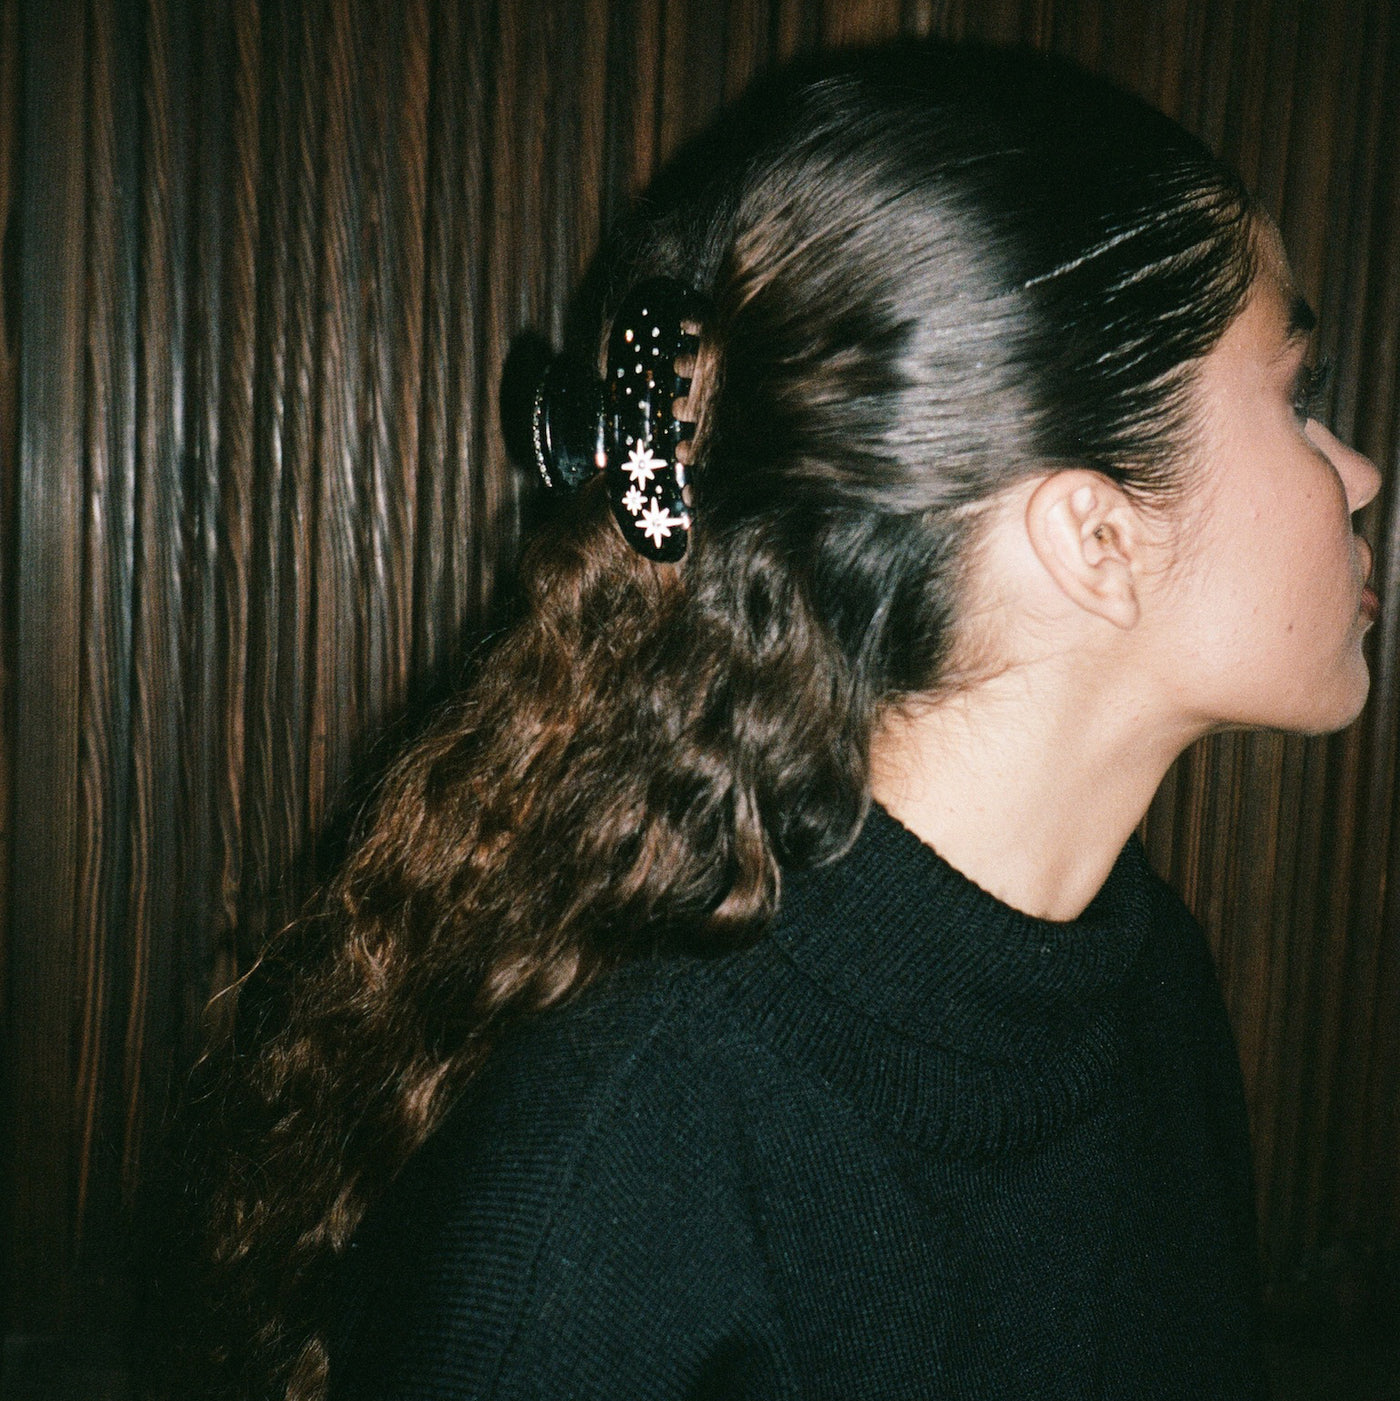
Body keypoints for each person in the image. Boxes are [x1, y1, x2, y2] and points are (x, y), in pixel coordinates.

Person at [184, 41, 1380, 1401]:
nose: (1358, 472)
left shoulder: (1147, 983)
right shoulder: (613, 1174)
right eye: (1296, 397)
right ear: (1093, 537)